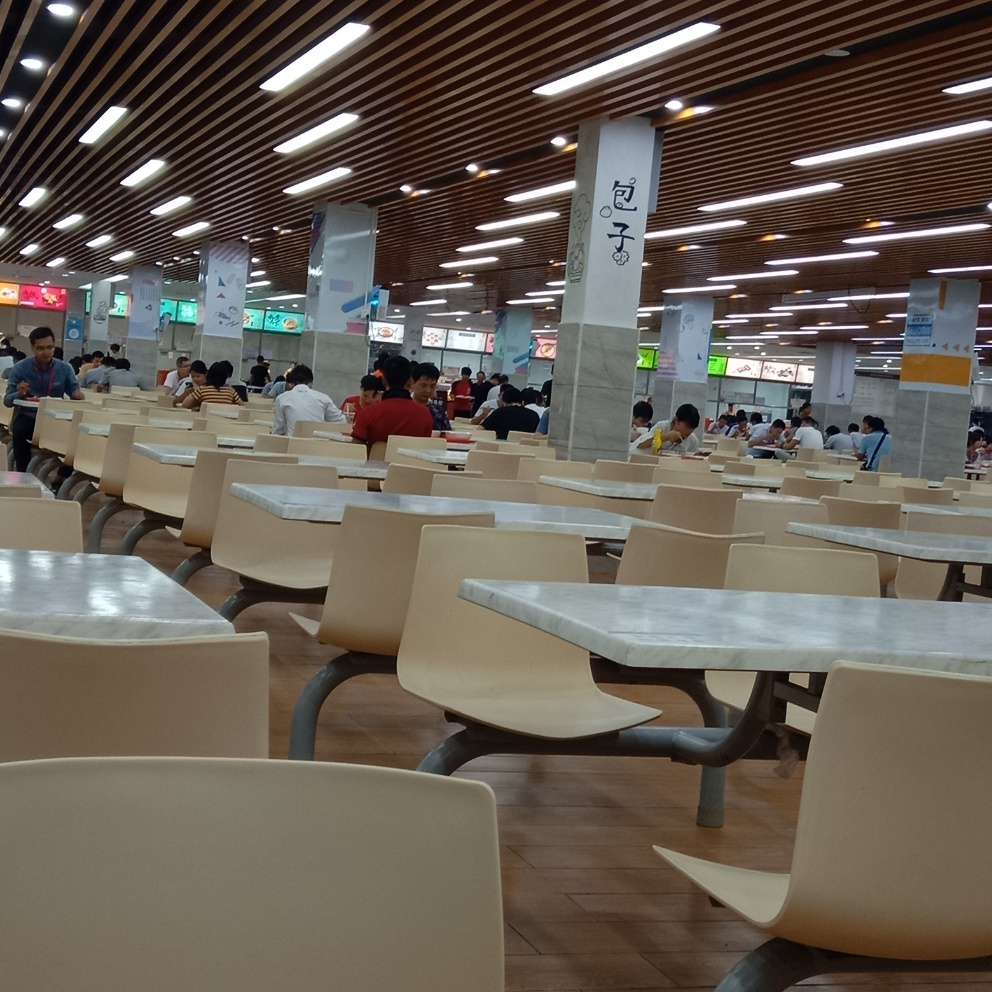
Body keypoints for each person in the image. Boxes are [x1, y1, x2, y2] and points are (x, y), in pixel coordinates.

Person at [3, 326, 83, 471]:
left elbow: (76, 394)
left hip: (56, 419)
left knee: (77, 438)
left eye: (49, 347)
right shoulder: (20, 368)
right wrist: (19, 393)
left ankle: (61, 477)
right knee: (19, 429)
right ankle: (22, 473)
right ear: (32, 348)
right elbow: (7, 401)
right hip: (30, 417)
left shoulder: (65, 368)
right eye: (40, 348)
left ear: (54, 346)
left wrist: (78, 396)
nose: (46, 352)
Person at [351, 354, 433, 447]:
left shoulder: (368, 413)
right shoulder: (425, 415)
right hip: (410, 457)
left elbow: (356, 450)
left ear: (384, 380)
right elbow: (424, 449)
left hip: (374, 456)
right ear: (410, 381)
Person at [272, 364, 345, 436]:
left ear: (292, 382)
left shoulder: (282, 398)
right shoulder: (323, 398)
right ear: (310, 382)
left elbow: (278, 430)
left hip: (293, 442)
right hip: (317, 442)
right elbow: (341, 421)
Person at [630, 403, 700, 454]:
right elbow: (641, 445)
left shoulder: (693, 441)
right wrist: (664, 437)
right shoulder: (661, 427)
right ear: (676, 421)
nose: (682, 438)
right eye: (681, 434)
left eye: (686, 436)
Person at [410, 362, 451, 432]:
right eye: (423, 385)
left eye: (432, 386)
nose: (428, 390)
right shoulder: (404, 408)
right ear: (412, 383)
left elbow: (447, 434)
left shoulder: (438, 411)